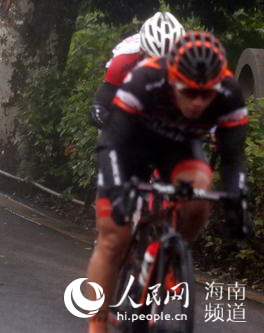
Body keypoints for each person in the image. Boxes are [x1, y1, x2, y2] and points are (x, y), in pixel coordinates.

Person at [85, 31, 252, 333]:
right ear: (171, 78)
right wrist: (116, 189)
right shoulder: (145, 78)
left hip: (179, 151)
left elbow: (232, 157)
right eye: (187, 92)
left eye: (206, 94)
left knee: (200, 199)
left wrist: (237, 199)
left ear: (220, 83)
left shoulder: (230, 92)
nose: (198, 103)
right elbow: (110, 143)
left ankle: (173, 255)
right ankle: (97, 322)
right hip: (130, 150)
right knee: (113, 238)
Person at [89, 11, 184, 129]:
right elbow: (104, 99)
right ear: (142, 51)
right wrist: (100, 113)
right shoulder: (124, 60)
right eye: (153, 58)